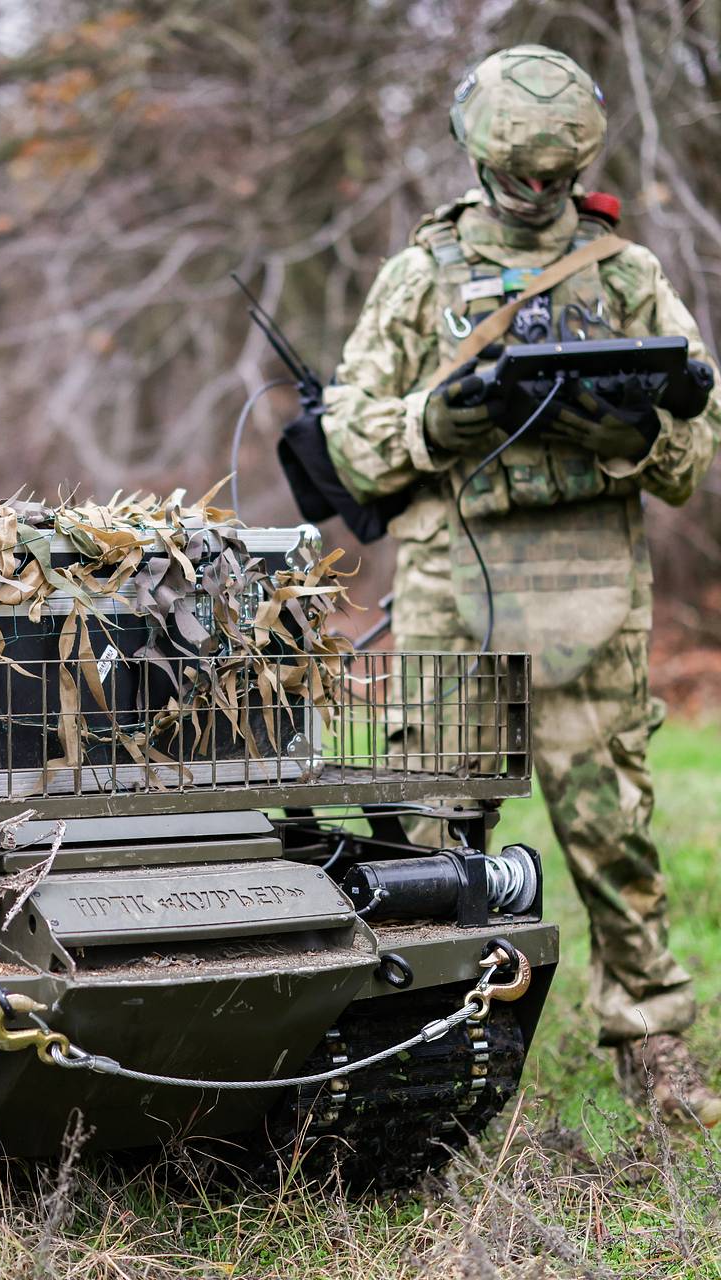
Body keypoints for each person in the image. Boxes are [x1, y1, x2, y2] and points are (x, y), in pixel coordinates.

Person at [319, 44, 721, 1125]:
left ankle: (649, 1037)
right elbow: (350, 442)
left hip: (590, 584)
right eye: (516, 177)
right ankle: (422, 1040)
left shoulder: (624, 274)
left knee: (611, 823)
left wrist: (631, 428)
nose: (534, 197)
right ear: (478, 156)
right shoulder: (422, 275)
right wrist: (427, 423)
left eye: (552, 178)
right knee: (425, 826)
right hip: (457, 579)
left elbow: (694, 451)